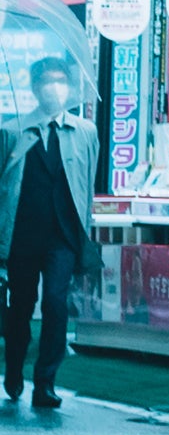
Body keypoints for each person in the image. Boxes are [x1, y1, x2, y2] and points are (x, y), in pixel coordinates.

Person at [1, 54, 95, 412]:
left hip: (63, 235)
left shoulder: (85, 132)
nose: (53, 87)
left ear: (69, 87)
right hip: (23, 234)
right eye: (45, 81)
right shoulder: (12, 131)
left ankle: (46, 382)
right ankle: (13, 370)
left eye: (59, 80)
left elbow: (87, 181)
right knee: (20, 309)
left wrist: (84, 234)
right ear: (34, 87)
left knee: (56, 303)